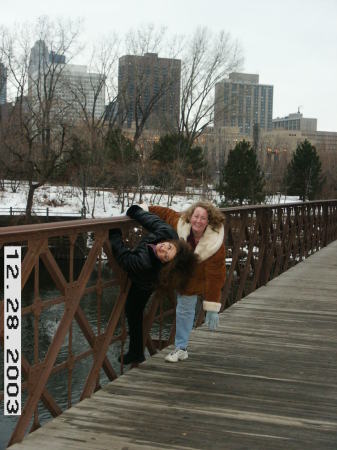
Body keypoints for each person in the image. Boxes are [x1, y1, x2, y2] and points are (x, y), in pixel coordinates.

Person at [109, 204, 198, 366]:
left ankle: (136, 352)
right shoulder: (169, 234)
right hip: (150, 274)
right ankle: (136, 353)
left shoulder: (142, 264)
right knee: (133, 312)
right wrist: (135, 211)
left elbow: (122, 256)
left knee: (133, 309)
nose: (162, 249)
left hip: (144, 281)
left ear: (165, 265)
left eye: (165, 256)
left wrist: (113, 233)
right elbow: (153, 221)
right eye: (168, 247)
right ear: (173, 243)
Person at [149, 201, 226, 363]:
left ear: (209, 221)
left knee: (190, 308)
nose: (198, 221)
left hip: (204, 277)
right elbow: (167, 213)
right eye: (196, 216)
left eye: (203, 218)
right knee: (184, 312)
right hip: (187, 280)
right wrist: (145, 208)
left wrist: (212, 306)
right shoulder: (182, 224)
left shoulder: (215, 242)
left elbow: (216, 275)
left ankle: (182, 345)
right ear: (190, 217)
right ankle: (181, 348)